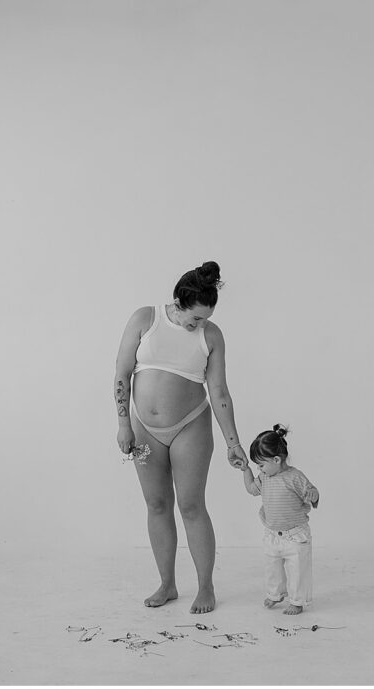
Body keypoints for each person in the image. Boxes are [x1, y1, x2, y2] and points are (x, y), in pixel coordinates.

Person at [114, 261, 247, 614]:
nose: (200, 324)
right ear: (178, 301)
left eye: (206, 318)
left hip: (191, 425)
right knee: (156, 505)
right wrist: (123, 423)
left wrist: (234, 444)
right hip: (144, 429)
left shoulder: (212, 336)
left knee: (191, 506)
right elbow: (122, 374)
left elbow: (219, 391)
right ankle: (167, 584)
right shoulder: (146, 319)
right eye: (196, 317)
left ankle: (206, 587)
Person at [239, 425, 319, 615]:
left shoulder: (295, 477)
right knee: (272, 568)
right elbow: (251, 489)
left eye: (261, 464)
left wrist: (313, 494)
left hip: (295, 535)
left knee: (298, 570)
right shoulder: (264, 477)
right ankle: (275, 595)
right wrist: (246, 470)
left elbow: (312, 493)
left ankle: (297, 601)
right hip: (273, 534)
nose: (260, 469)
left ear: (276, 459)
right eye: (257, 466)